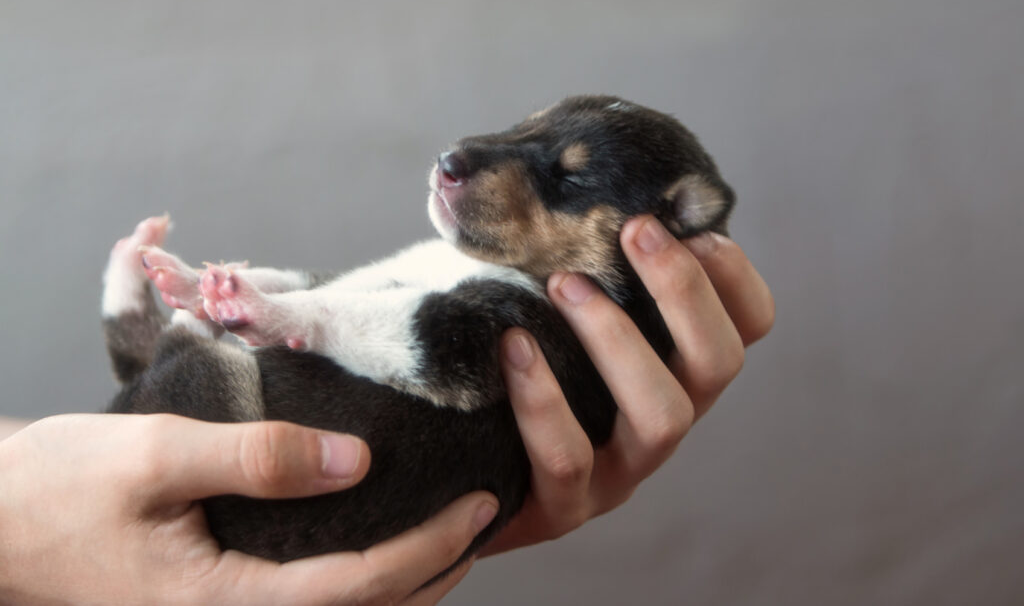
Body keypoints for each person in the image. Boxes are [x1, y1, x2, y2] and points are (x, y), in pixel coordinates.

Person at [0, 218, 773, 605]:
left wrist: (40, 510)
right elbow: (347, 310)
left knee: (188, 385)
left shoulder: (515, 303)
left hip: (287, 464)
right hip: (267, 455)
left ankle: (149, 349)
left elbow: (368, 317)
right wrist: (19, 531)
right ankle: (149, 348)